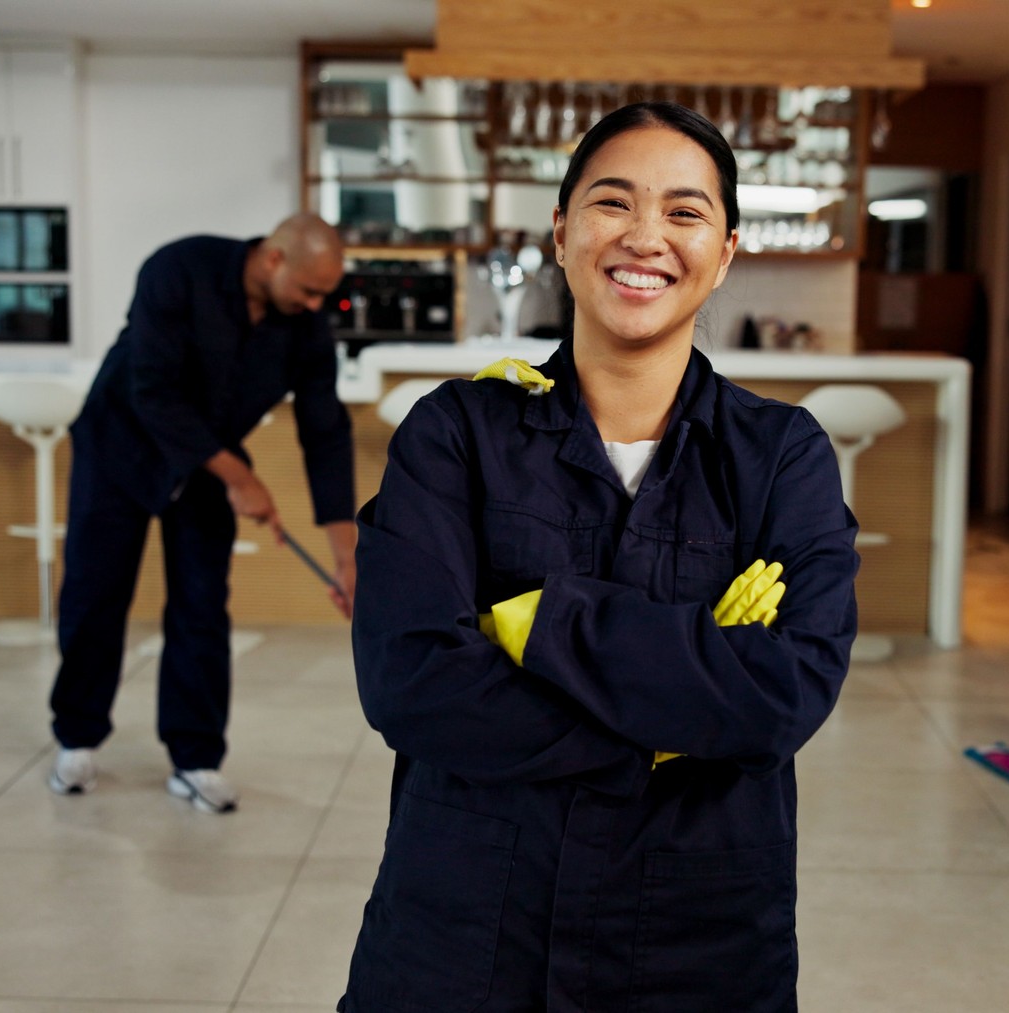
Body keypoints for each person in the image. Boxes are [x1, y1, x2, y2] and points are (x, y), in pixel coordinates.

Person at [339, 103, 860, 1011]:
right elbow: (411, 680)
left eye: (686, 212)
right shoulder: (456, 434)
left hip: (700, 937)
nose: (646, 236)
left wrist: (542, 625)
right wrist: (674, 719)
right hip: (468, 926)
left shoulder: (782, 455)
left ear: (728, 249)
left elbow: (786, 693)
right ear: (563, 229)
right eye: (613, 202)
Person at [46, 214, 357, 814]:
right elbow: (154, 390)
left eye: (325, 294)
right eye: (310, 290)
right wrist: (241, 478)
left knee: (201, 604)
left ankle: (195, 757)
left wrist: (346, 554)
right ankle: (77, 738)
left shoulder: (305, 324)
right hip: (120, 446)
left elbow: (325, 428)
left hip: (206, 460)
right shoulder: (178, 269)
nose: (318, 305)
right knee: (95, 593)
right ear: (273, 260)